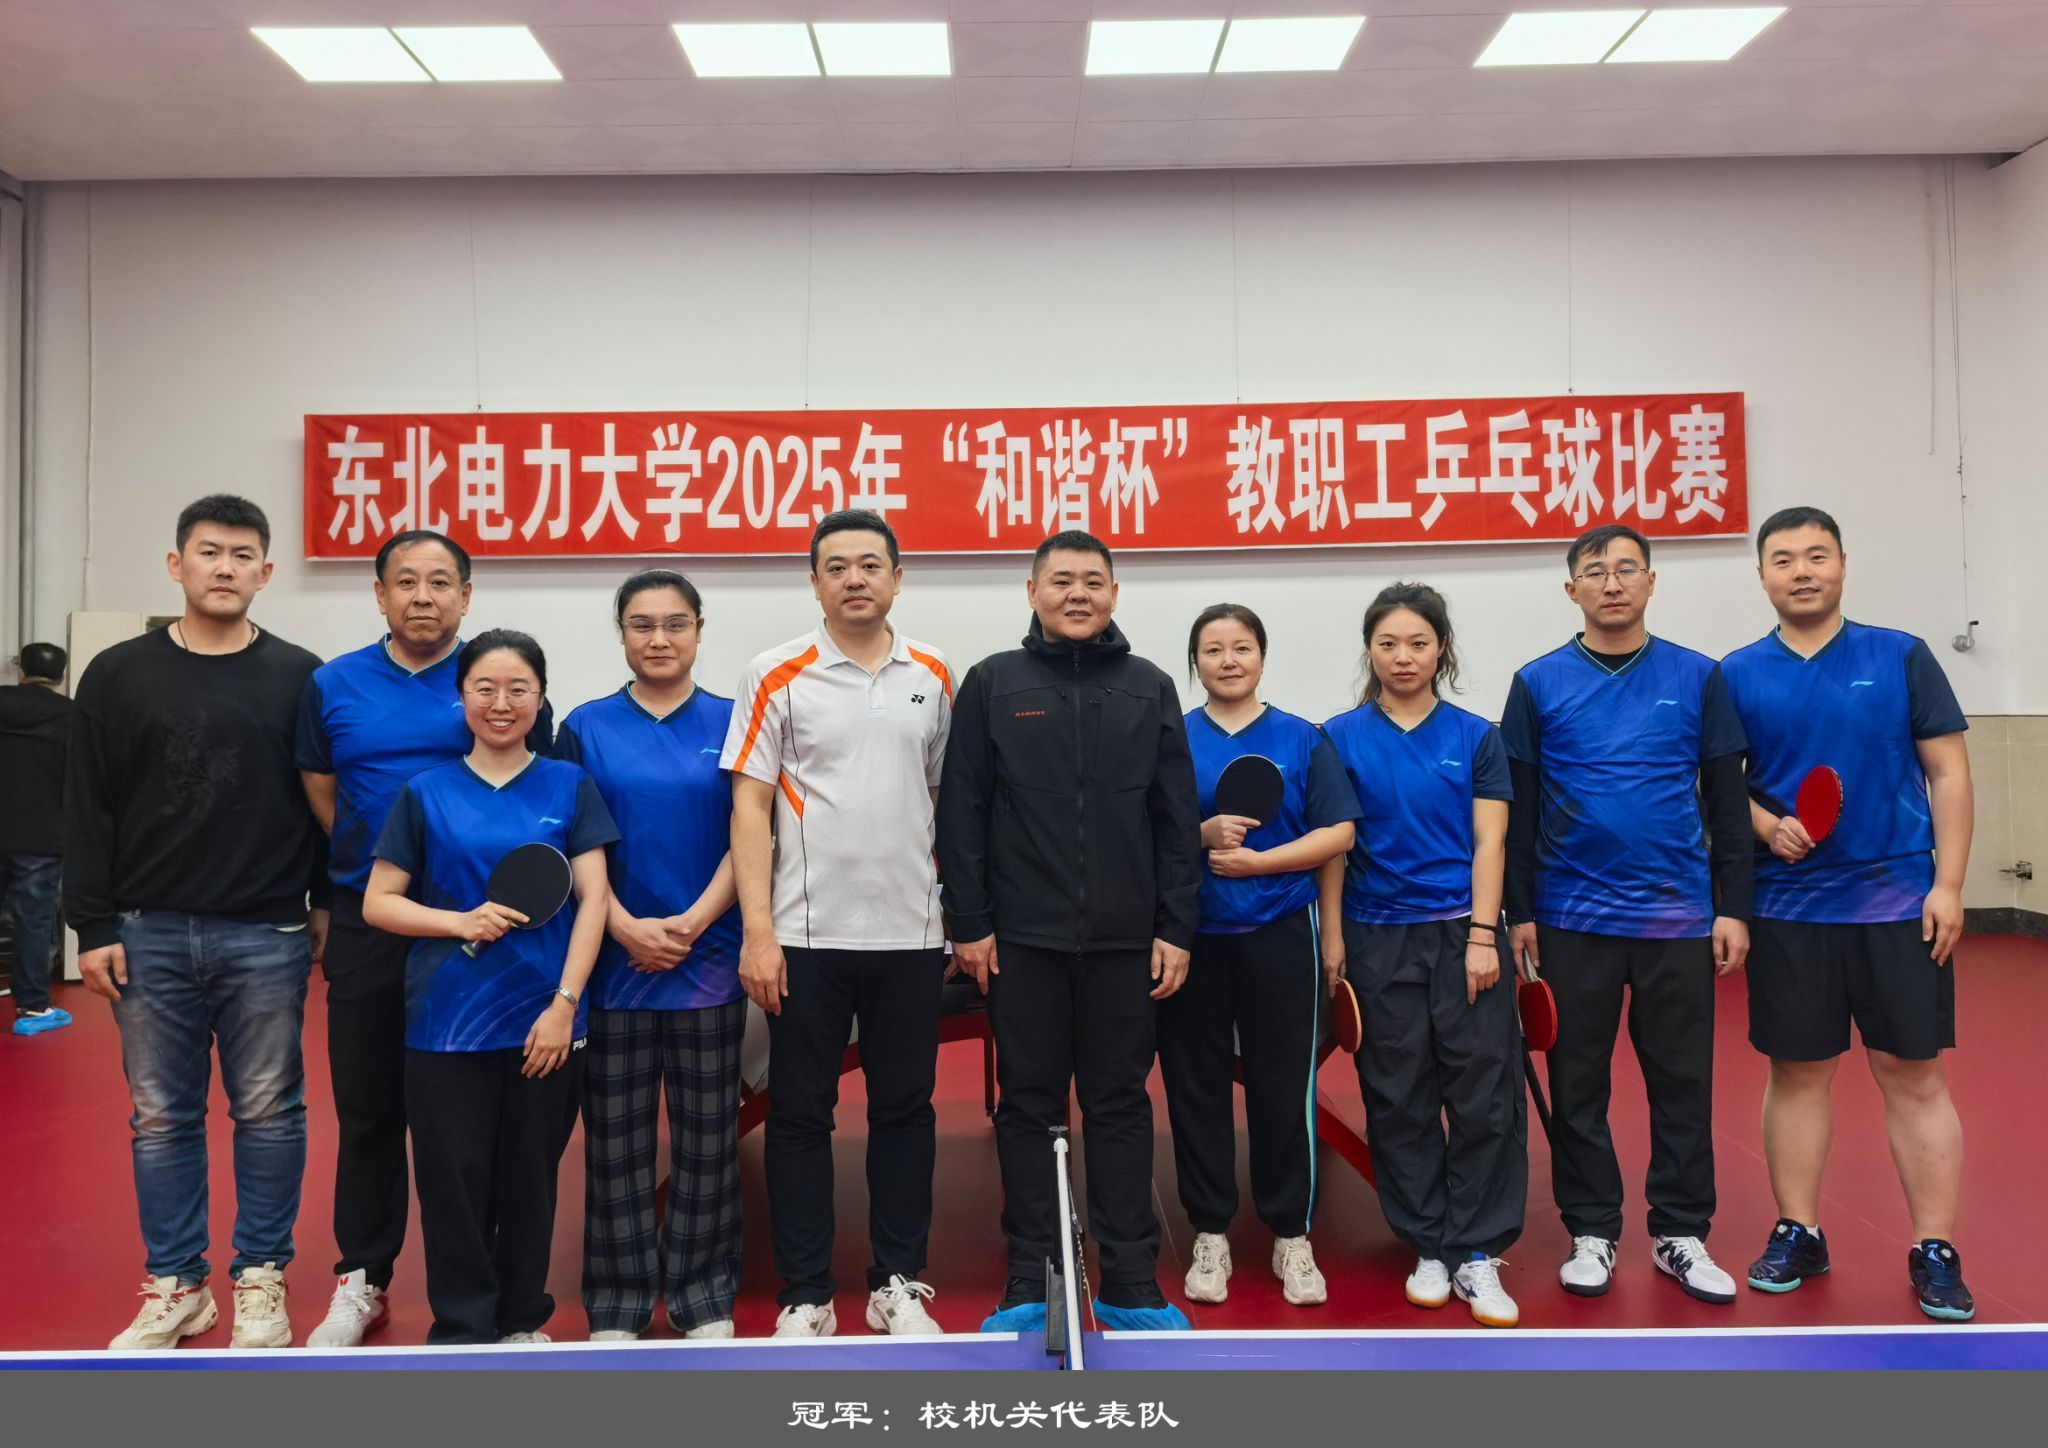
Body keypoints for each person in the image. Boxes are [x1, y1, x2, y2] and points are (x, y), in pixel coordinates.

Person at [66, 495, 328, 1350]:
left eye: (242, 554)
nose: (225, 567)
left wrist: (324, 901)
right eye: (209, 551)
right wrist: (92, 925)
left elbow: (324, 800)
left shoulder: (301, 676)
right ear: (176, 565)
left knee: (271, 1110)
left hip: (266, 931)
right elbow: (87, 804)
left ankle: (260, 1276)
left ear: (266, 572)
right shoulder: (116, 674)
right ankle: (179, 1283)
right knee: (161, 1117)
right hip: (147, 930)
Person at [938, 530, 1203, 1333]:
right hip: (1022, 941)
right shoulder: (994, 682)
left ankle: (1129, 1281)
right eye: (1061, 581)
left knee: (1120, 1103)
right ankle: (1035, 1275)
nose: (1077, 593)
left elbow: (1176, 821)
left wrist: (1176, 927)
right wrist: (969, 923)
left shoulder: (1149, 687)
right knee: (1028, 1106)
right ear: (1032, 592)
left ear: (1114, 593)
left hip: (1126, 942)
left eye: (1093, 580)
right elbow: (963, 810)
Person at [295, 530, 554, 1347]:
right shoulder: (333, 684)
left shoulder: (493, 681)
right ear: (379, 594)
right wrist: (388, 871)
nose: (422, 596)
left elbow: (534, 790)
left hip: (486, 933)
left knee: (483, 1124)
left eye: (441, 582)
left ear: (466, 596)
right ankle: (363, 1278)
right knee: (369, 1107)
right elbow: (322, 788)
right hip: (373, 921)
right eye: (405, 581)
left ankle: (497, 1296)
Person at [1721, 507, 1976, 1320]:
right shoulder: (1735, 674)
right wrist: (1767, 826)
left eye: (1816, 555)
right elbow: (1719, 786)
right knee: (1797, 1073)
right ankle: (1799, 1229)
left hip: (1897, 903)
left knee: (1914, 1074)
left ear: (1842, 564)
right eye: (1784, 558)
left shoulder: (1900, 655)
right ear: (1762, 575)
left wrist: (1949, 884)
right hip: (1789, 907)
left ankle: (1934, 1247)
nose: (1801, 571)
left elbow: (1949, 772)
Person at [1502, 524, 1753, 1305]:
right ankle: (1592, 1230)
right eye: (1595, 571)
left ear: (1650, 582)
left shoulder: (1699, 676)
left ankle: (1681, 1231)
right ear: (1571, 588)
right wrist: (1519, 910)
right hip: (1571, 917)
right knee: (1577, 1083)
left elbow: (1728, 803)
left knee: (1683, 1080)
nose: (1611, 583)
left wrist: (1734, 908)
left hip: (1677, 918)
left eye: (1626, 569)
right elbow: (1519, 808)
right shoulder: (1537, 682)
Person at [720, 509, 954, 1339]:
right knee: (798, 1115)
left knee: (905, 1112)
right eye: (837, 566)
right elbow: (749, 805)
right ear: (814, 581)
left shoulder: (933, 672)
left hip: (911, 936)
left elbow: (940, 798)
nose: (855, 578)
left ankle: (897, 1282)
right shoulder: (775, 672)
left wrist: (954, 913)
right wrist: (758, 933)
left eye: (870, 564)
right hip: (806, 937)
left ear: (897, 577)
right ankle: (806, 1294)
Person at [362, 630, 615, 1345]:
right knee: (453, 1179)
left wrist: (565, 1005)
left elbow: (594, 900)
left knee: (530, 1176)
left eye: (518, 690)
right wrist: (459, 920)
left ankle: (521, 1318)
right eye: (485, 689)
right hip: (445, 1021)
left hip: (545, 1019)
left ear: (540, 698)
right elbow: (380, 901)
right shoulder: (425, 793)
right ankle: (463, 1324)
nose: (501, 704)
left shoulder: (569, 785)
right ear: (462, 697)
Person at [1321, 583, 1527, 1328]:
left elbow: (1490, 842)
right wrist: (1334, 938)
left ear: (1442, 649)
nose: (1403, 656)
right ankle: (1429, 1245)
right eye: (1388, 643)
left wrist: (1483, 935)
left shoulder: (1476, 736)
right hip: (1376, 938)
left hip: (1462, 934)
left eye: (1418, 643)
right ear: (1369, 650)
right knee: (1397, 1093)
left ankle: (1477, 1249)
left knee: (1483, 1093)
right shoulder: (1338, 737)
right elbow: (1335, 849)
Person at [559, 570, 743, 1341]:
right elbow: (568, 841)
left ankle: (704, 1297)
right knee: (617, 1143)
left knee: (709, 1143)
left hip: (711, 960)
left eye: (675, 624)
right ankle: (619, 1301)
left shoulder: (735, 719)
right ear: (622, 634)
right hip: (615, 964)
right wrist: (626, 927)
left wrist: (693, 924)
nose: (659, 639)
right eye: (641, 624)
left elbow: (752, 834)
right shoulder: (585, 726)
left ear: (699, 630)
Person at [1161, 604, 1358, 1310]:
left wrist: (1264, 865)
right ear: (1196, 663)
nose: (1228, 660)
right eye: (1213, 649)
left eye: (1241, 647)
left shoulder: (1303, 738)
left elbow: (1338, 833)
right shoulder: (1173, 738)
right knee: (1196, 1086)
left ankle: (1290, 1232)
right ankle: (1210, 1230)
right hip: (1192, 938)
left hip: (1281, 930)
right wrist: (1200, 833)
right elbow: (1148, 830)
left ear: (1262, 657)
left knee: (1284, 1084)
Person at [1, 641, 74, 1036]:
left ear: (20, 671)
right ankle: (33, 1008)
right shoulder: (74, 716)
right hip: (41, 837)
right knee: (33, 922)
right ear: (61, 676)